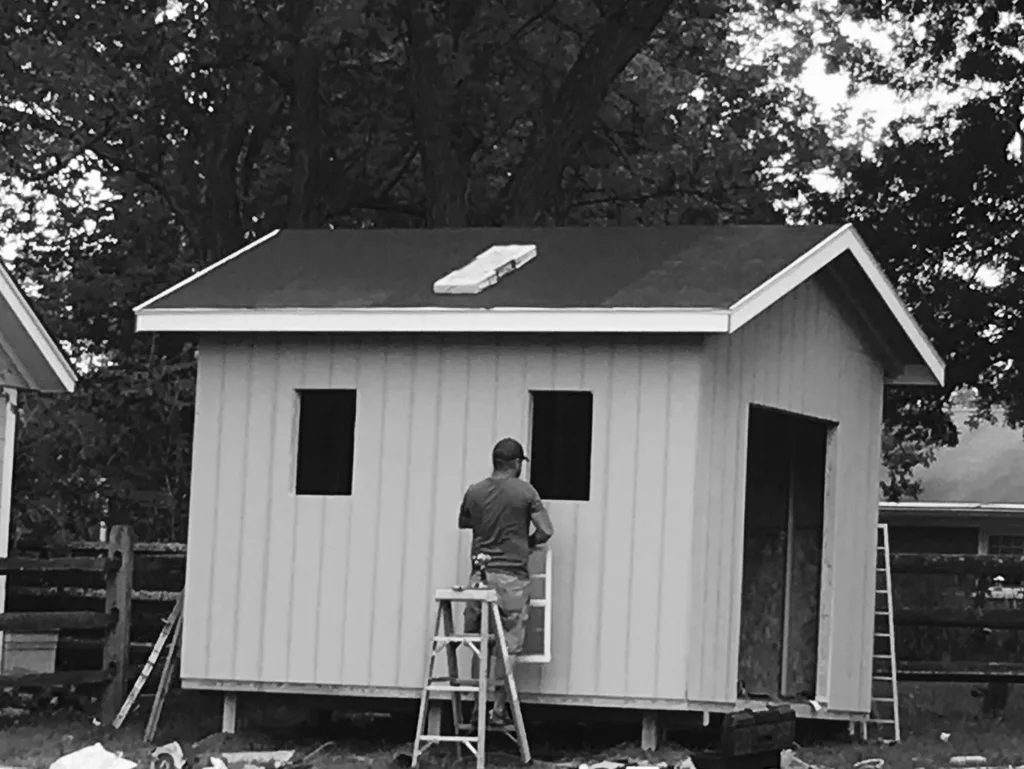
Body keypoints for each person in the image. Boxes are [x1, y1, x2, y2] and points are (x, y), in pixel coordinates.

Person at [458, 437, 554, 728]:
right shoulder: (526, 492)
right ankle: (498, 710)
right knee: (508, 645)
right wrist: (524, 543)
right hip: (512, 577)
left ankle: (475, 710)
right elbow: (546, 530)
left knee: (479, 643)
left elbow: (465, 522)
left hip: (480, 578)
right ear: (515, 464)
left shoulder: (475, 491)